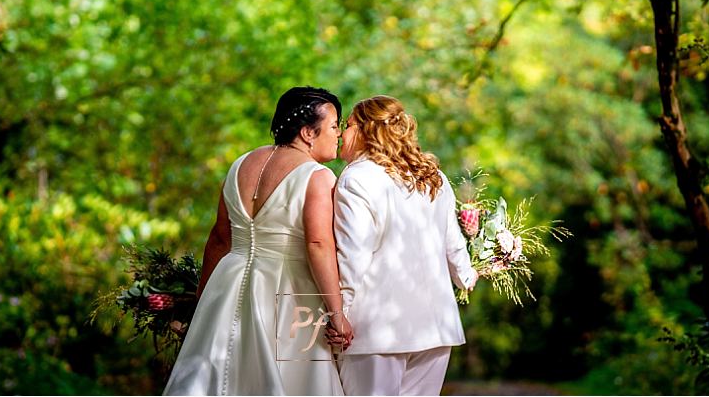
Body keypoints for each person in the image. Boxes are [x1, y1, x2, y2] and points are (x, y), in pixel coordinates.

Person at [163, 86, 351, 396]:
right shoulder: (318, 176)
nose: (339, 134)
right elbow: (318, 245)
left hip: (227, 284)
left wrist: (202, 303)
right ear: (307, 132)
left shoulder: (239, 165)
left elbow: (220, 239)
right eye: (333, 125)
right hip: (288, 292)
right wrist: (337, 314)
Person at [328, 95, 477, 396]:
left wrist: (337, 314)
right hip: (436, 326)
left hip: (378, 330)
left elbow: (352, 257)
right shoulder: (433, 177)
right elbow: (453, 242)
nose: (342, 132)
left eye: (348, 125)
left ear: (367, 129)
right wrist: (466, 276)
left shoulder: (356, 179)